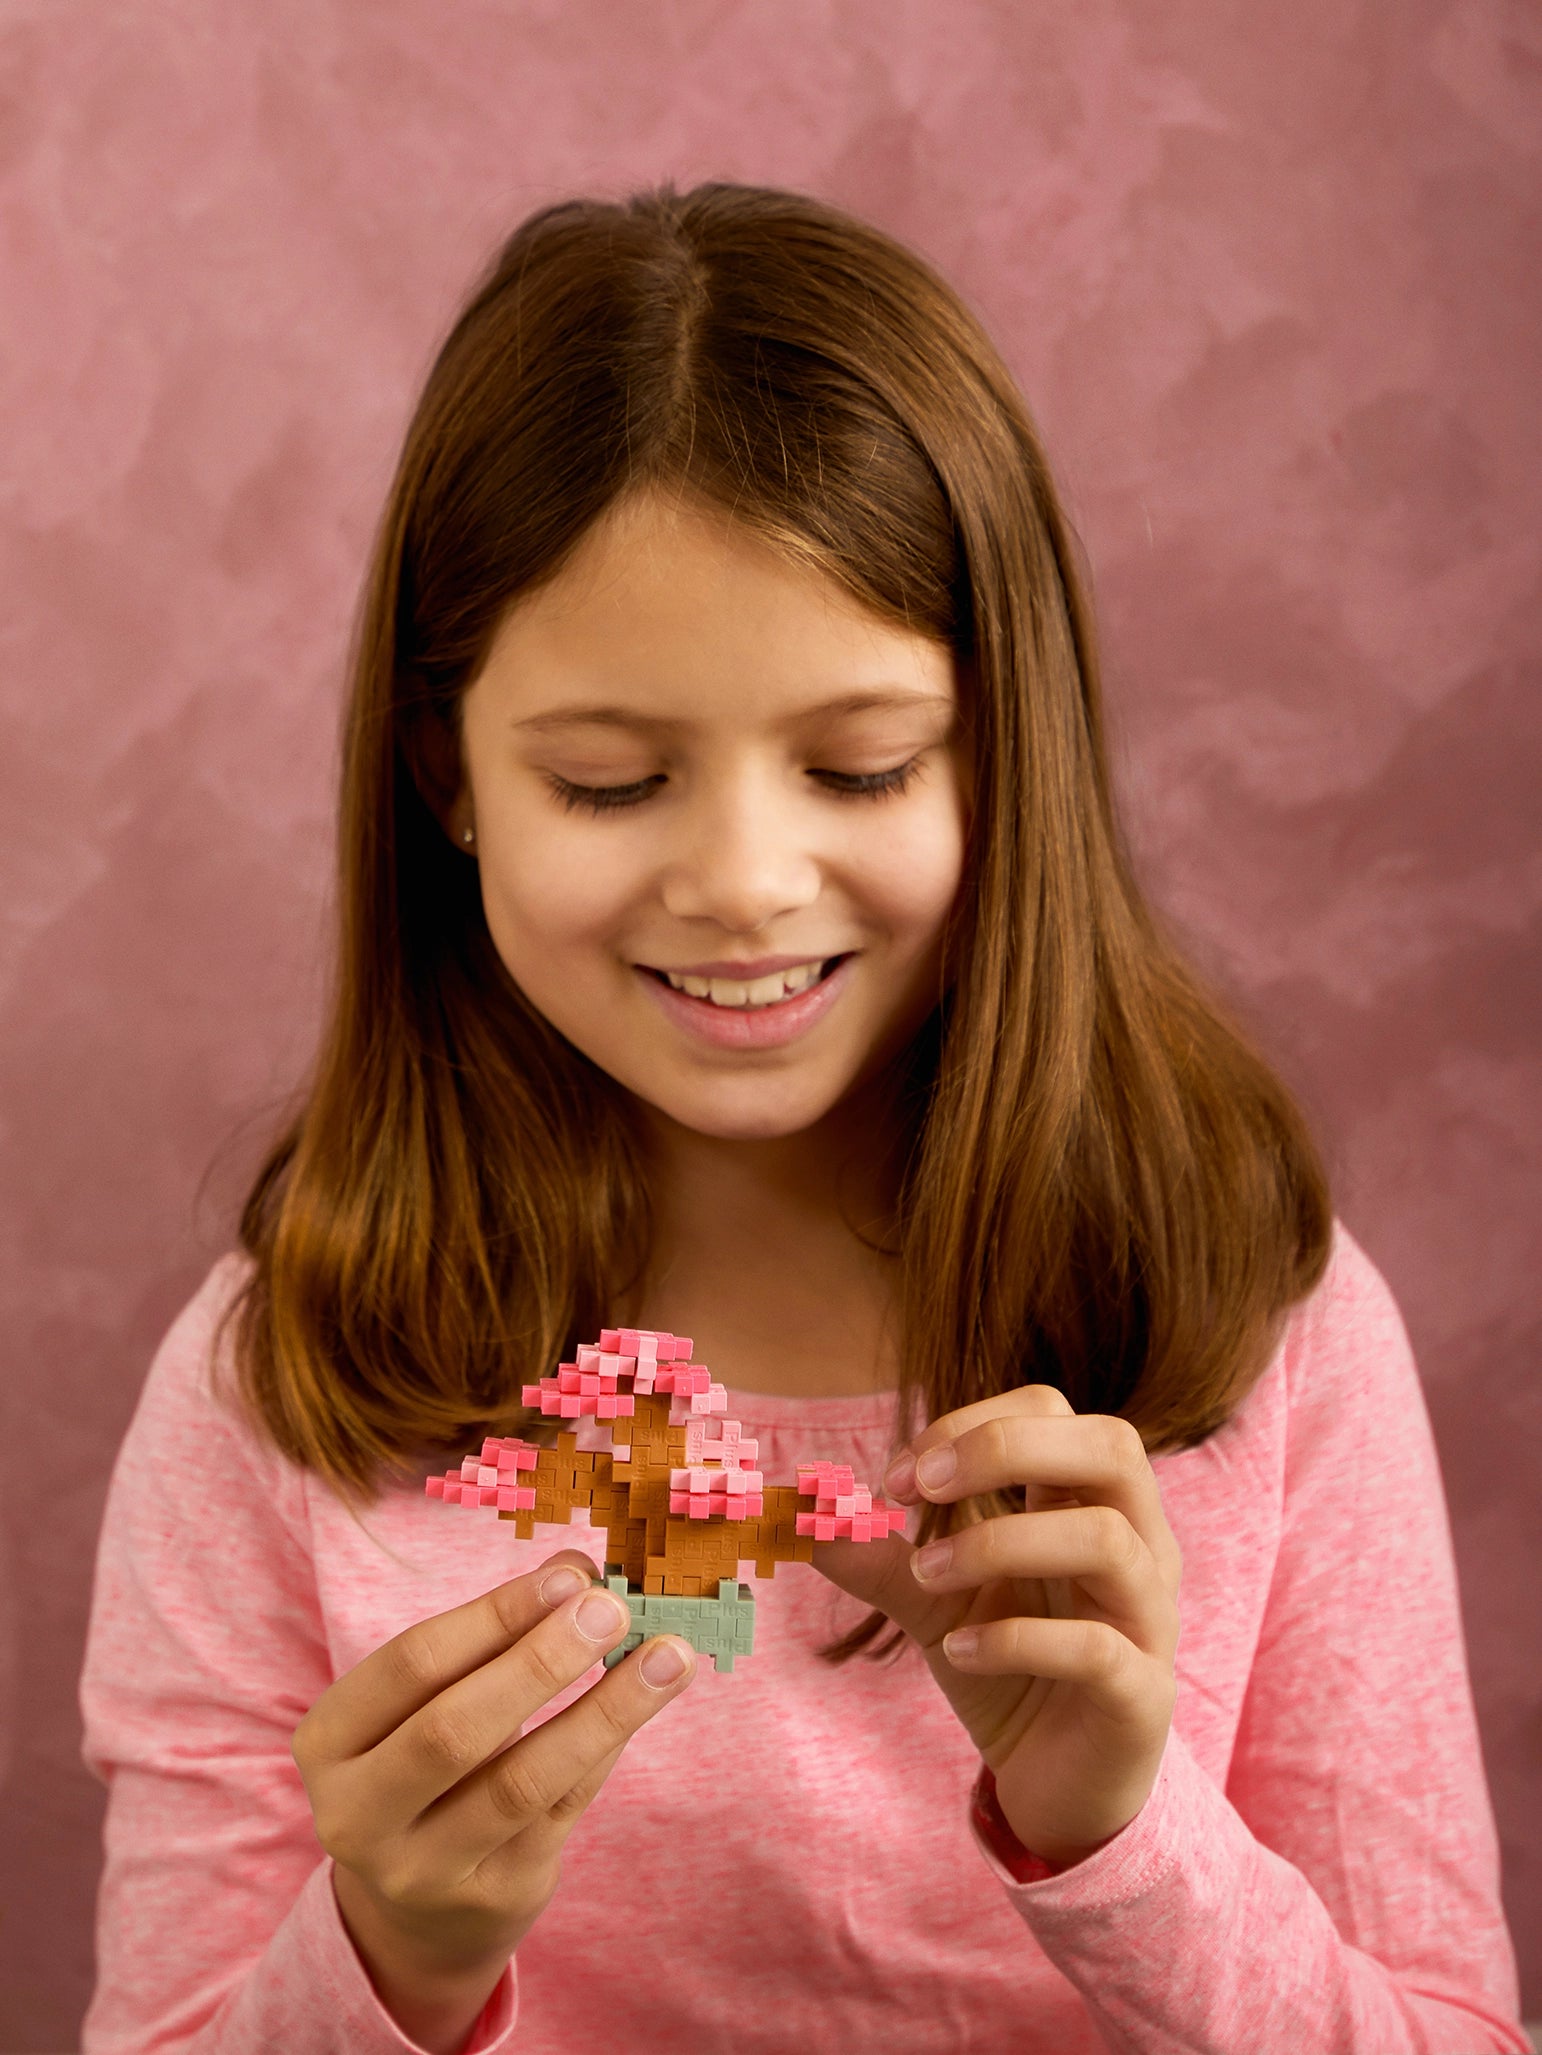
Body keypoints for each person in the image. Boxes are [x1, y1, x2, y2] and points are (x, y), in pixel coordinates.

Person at [78, 180, 1529, 2055]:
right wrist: (389, 1964)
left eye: (860, 767)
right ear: (447, 776)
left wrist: (1120, 1837)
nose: (746, 885)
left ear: (1001, 758)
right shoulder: (278, 1379)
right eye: (611, 785)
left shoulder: (1264, 1328)